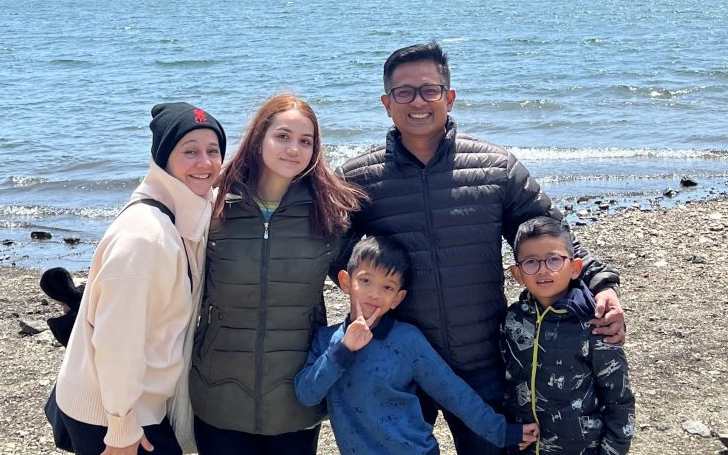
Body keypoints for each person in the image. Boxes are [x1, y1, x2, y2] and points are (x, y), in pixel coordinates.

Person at [337, 41, 627, 455]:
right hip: (398, 363)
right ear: (386, 103)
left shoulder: (495, 167)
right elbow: (332, 252)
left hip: (483, 359)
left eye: (429, 90)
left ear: (449, 97)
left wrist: (600, 285)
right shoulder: (357, 178)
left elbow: (552, 236)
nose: (418, 101)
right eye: (404, 92)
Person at [189, 93, 364, 455]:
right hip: (218, 396)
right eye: (282, 136)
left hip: (296, 399)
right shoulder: (212, 205)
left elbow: (366, 279)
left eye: (306, 141)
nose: (294, 150)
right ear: (259, 139)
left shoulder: (331, 214)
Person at [47, 102, 226, 455]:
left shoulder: (179, 212)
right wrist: (121, 428)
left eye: (213, 151)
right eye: (189, 151)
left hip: (130, 403)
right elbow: (117, 340)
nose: (205, 163)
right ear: (163, 158)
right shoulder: (146, 236)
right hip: (111, 412)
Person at [295, 236, 539, 455]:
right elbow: (307, 394)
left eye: (387, 287)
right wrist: (343, 348)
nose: (374, 294)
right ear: (345, 282)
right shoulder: (327, 340)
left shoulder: (406, 340)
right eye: (365, 280)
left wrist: (503, 432)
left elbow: (453, 392)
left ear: (397, 298)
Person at [503, 217, 635, 454]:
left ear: (575, 268)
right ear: (517, 274)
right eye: (531, 262)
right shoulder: (512, 321)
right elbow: (506, 386)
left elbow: (619, 401)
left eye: (554, 259)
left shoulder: (595, 324)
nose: (543, 269)